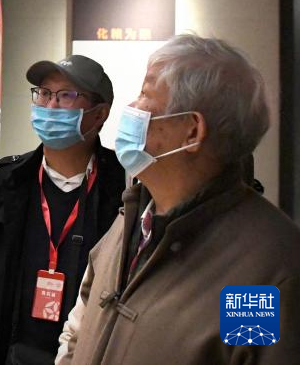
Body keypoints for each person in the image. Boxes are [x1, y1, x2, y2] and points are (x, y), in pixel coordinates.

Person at [56, 34, 300, 365]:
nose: (131, 107)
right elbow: (79, 328)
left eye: (145, 94)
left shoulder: (262, 275)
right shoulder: (133, 215)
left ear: (192, 131)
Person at [0, 55, 125, 365]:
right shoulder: (6, 180)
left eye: (66, 95)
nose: (50, 105)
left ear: (100, 113)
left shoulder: (125, 187)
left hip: (88, 353)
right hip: (15, 351)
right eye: (44, 93)